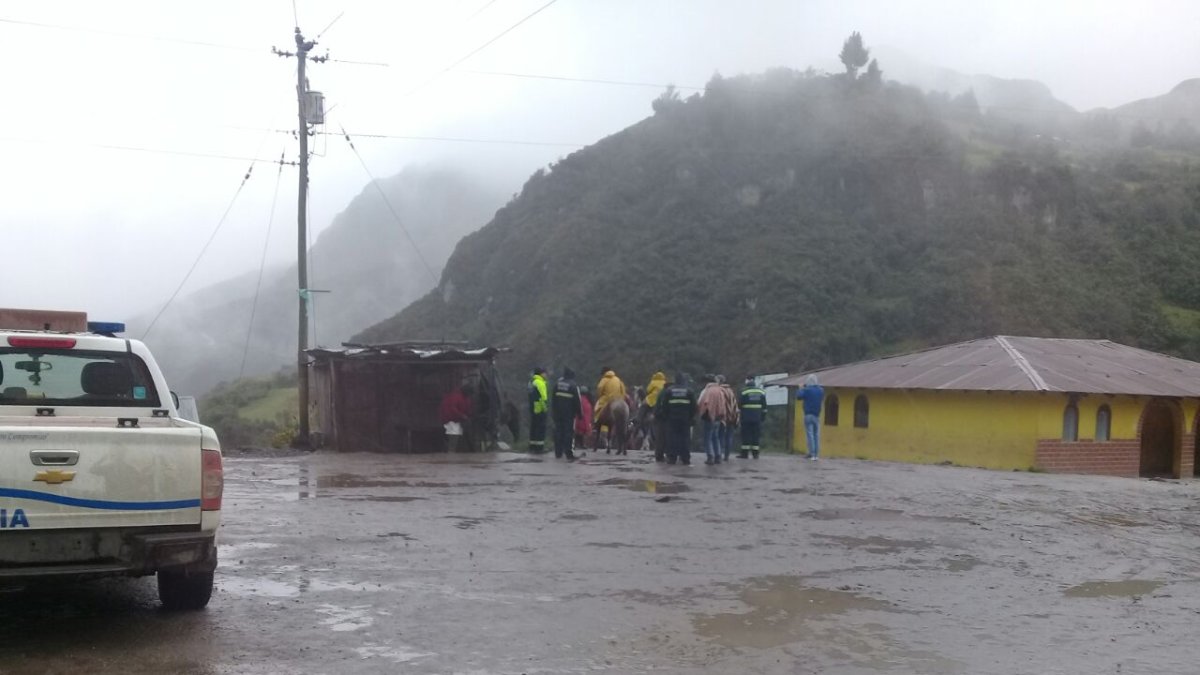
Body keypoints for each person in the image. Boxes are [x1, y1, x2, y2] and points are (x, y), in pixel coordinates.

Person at [657, 373, 696, 465]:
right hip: (685, 419)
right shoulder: (689, 391)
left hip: (672, 419)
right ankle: (685, 458)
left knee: (672, 439)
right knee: (685, 439)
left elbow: (664, 406)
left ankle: (672, 458)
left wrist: (666, 416)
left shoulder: (669, 391)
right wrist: (691, 418)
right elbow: (694, 407)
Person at [697, 375, 729, 465]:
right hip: (719, 417)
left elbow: (701, 402)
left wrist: (700, 412)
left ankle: (710, 457)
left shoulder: (707, 390)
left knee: (708, 438)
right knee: (716, 437)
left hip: (709, 417)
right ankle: (718, 456)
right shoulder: (720, 390)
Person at [552, 367, 582, 460]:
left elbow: (553, 399)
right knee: (568, 432)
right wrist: (580, 413)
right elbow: (577, 401)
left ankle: (558, 453)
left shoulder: (557, 384)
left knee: (558, 431)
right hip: (569, 414)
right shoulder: (573, 386)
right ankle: (569, 454)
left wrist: (553, 412)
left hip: (558, 413)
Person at [737, 377, 767, 459]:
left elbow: (739, 405)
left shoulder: (744, 391)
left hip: (746, 418)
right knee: (756, 436)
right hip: (757, 418)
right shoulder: (761, 392)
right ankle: (755, 454)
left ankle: (744, 454)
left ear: (747, 382)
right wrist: (763, 418)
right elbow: (764, 407)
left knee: (745, 435)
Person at [798, 374, 825, 460]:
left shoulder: (807, 390)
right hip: (817, 415)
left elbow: (799, 396)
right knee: (816, 435)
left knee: (810, 435)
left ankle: (811, 453)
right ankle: (816, 454)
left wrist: (801, 388)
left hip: (808, 414)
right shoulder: (821, 390)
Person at [439, 385, 472, 452]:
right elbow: (452, 409)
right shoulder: (456, 397)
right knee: (454, 436)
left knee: (455, 436)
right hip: (450, 419)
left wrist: (466, 416)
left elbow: (467, 409)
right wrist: (462, 415)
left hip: (457, 419)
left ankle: (452, 451)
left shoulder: (466, 398)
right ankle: (451, 451)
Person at [527, 367, 549, 453]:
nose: (546, 375)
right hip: (539, 409)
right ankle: (540, 448)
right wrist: (545, 409)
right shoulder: (540, 383)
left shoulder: (531, 382)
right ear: (541, 374)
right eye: (545, 373)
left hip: (532, 408)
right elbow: (543, 398)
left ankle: (532, 447)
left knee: (533, 427)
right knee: (540, 428)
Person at [719, 375, 739, 461]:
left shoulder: (720, 391)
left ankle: (719, 454)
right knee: (729, 436)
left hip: (722, 417)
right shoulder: (730, 391)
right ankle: (727, 455)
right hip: (731, 417)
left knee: (720, 436)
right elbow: (734, 404)